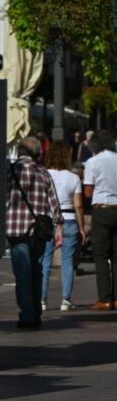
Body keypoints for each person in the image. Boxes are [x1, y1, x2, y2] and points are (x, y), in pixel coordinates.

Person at [6, 137, 63, 329]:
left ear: (20, 150)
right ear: (38, 153)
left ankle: (27, 315)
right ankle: (36, 311)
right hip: (39, 231)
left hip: (16, 230)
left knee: (22, 274)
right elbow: (54, 202)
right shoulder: (43, 172)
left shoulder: (10, 171)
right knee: (36, 272)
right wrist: (59, 226)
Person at [40, 142, 85, 312]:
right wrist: (81, 227)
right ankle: (66, 300)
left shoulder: (43, 174)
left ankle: (42, 301)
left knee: (45, 261)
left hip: (48, 220)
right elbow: (79, 205)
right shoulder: (73, 177)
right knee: (67, 262)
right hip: (69, 219)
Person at [83, 130, 117, 311]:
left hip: (102, 209)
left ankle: (105, 298)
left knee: (101, 255)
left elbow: (88, 191)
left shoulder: (93, 162)